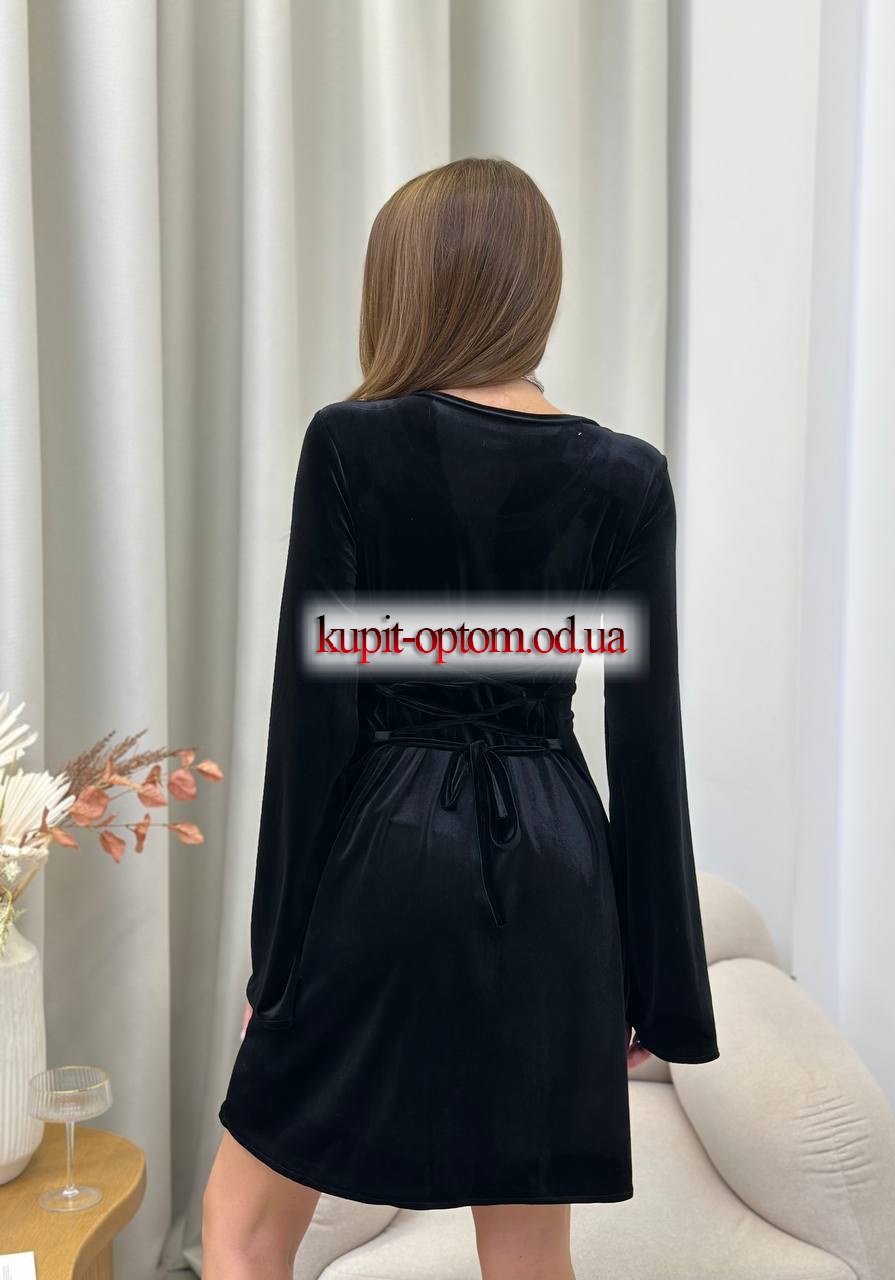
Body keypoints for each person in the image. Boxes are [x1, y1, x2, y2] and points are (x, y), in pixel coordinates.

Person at [202, 156, 719, 1280]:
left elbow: (312, 725)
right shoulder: (627, 476)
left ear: (405, 284)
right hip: (556, 866)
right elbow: (647, 745)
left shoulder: (351, 443)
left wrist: (274, 967)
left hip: (383, 857)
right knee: (528, 1252)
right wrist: (655, 984)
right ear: (538, 287)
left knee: (242, 1230)